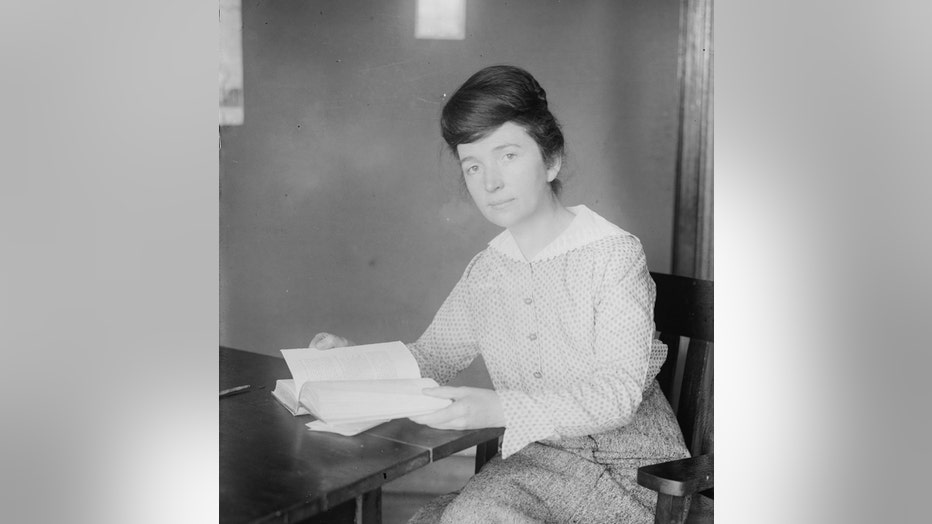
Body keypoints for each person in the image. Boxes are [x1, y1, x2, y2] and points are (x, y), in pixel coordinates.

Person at [309, 65, 688, 523]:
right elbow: (431, 356)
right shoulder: (488, 269)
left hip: (637, 478)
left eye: (507, 155)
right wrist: (352, 361)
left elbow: (616, 394)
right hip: (534, 465)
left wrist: (499, 406)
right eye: (473, 166)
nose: (489, 183)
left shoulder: (613, 255)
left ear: (551, 161)